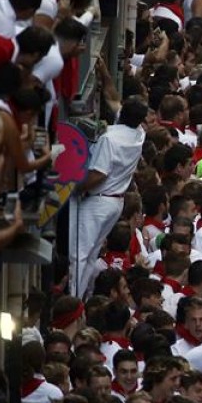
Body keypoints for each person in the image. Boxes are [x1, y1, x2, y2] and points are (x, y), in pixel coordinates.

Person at [71, 98, 147, 297]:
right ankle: (81, 297)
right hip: (115, 202)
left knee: (79, 253)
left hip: (99, 200)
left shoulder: (109, 138)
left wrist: (74, 188)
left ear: (122, 115)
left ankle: (73, 298)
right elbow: (114, 101)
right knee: (90, 254)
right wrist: (105, 76)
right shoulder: (140, 134)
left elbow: (99, 174)